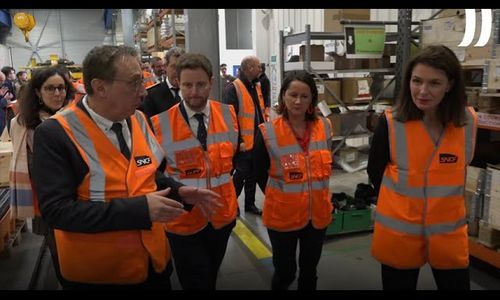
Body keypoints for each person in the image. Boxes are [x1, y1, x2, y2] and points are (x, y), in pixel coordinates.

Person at [31, 45, 222, 290]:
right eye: (134, 83)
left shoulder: (138, 119)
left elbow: (148, 175)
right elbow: (56, 211)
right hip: (99, 275)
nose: (143, 92)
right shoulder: (56, 133)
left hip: (154, 264)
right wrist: (140, 209)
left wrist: (178, 191)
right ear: (100, 87)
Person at [368, 45, 477, 290]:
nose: (423, 91)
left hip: (448, 235)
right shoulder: (391, 122)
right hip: (400, 233)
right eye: (416, 81)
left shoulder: (467, 122)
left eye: (434, 83)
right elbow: (375, 172)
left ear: (450, 85)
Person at [150, 53, 238, 290]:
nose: (194, 91)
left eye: (200, 84)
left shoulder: (229, 115)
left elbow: (237, 159)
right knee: (194, 281)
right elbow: (153, 175)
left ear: (211, 81)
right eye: (187, 85)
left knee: (210, 275)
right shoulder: (159, 124)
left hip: (221, 216)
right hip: (183, 220)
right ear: (178, 82)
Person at [253, 70, 334, 290]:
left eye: (304, 96)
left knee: (309, 273)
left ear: (312, 99)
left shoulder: (324, 127)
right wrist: (279, 196)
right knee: (285, 272)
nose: (298, 101)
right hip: (283, 215)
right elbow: (259, 171)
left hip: (317, 215)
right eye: (292, 95)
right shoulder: (268, 131)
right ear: (283, 96)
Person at [223, 55, 266, 215]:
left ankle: (250, 204)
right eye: (257, 67)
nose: (260, 69)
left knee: (253, 176)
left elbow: (259, 112)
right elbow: (229, 119)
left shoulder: (255, 86)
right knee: (240, 175)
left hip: (256, 141)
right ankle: (232, 205)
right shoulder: (233, 88)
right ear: (249, 69)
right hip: (242, 144)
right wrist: (239, 140)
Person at [140, 47, 185, 118]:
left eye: (182, 67)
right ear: (166, 66)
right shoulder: (151, 95)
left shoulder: (191, 93)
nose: (178, 71)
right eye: (174, 67)